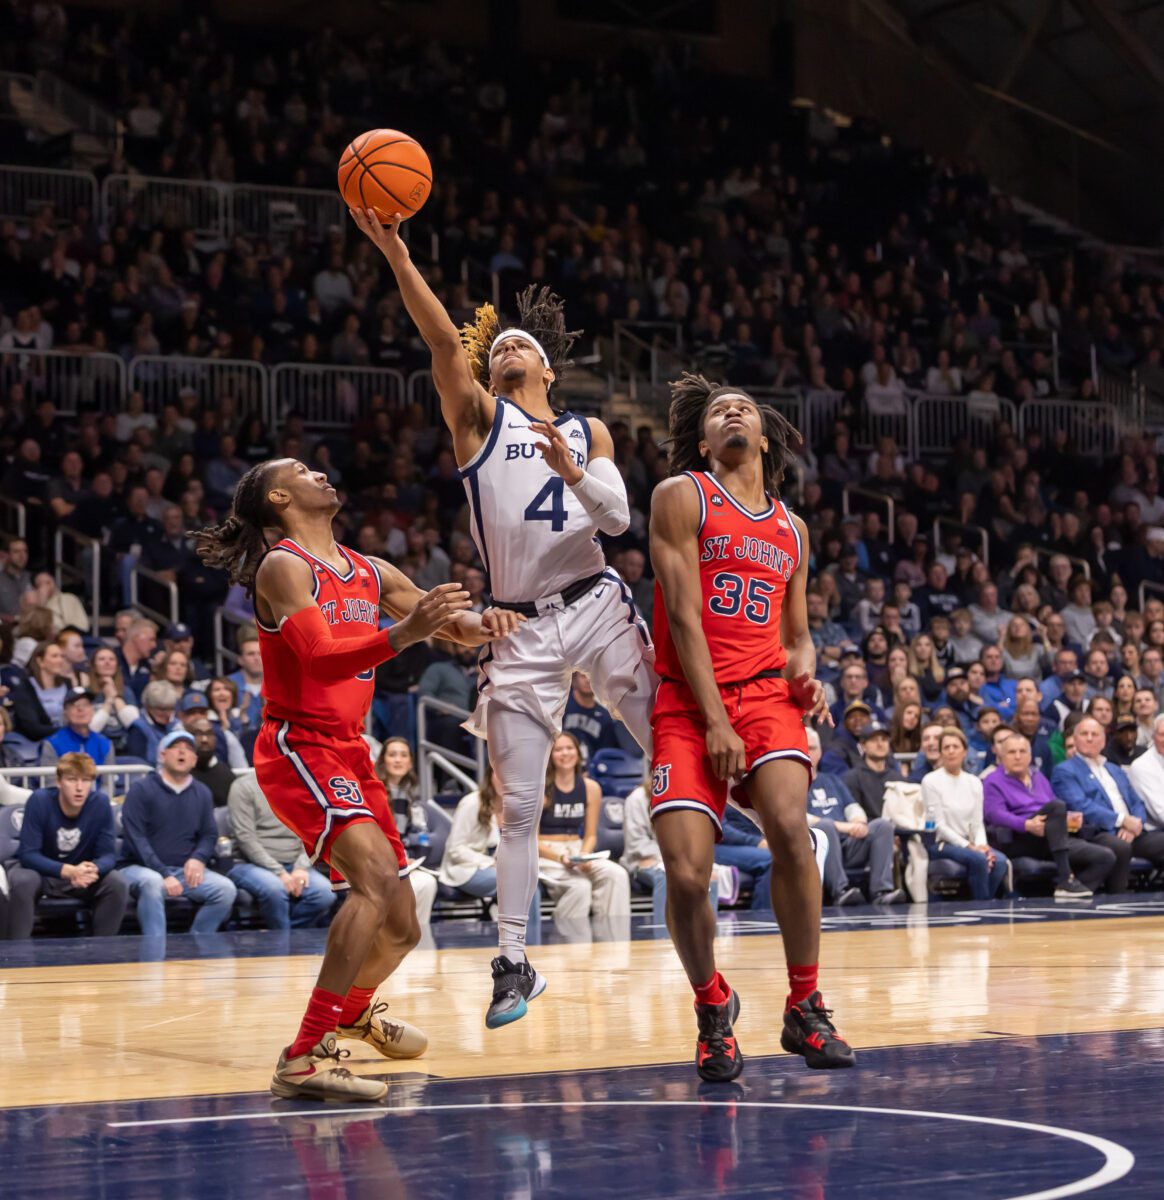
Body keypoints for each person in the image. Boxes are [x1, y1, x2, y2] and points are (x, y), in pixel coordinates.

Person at [352, 209, 656, 1029]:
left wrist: (575, 468)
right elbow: (444, 346)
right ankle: (513, 963)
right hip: (516, 628)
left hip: (593, 603)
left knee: (668, 741)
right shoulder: (480, 420)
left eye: (521, 345)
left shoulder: (587, 427)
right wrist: (397, 253)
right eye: (500, 347)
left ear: (550, 367)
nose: (506, 349)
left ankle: (770, 836)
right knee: (517, 805)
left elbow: (620, 522)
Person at [192, 455, 522, 1101]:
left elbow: (455, 626)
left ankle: (352, 1012)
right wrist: (407, 631)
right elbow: (318, 660)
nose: (322, 473)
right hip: (299, 746)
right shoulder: (284, 566)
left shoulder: (370, 569)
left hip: (350, 751)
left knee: (402, 924)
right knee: (371, 885)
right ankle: (304, 1056)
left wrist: (499, 622)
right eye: (305, 471)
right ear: (280, 497)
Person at [648, 373, 852, 1081]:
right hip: (687, 697)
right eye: (715, 411)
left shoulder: (791, 529)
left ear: (763, 437)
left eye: (743, 406)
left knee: (794, 831)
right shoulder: (682, 496)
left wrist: (805, 674)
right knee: (685, 871)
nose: (731, 410)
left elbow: (798, 635)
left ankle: (805, 1006)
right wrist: (713, 720)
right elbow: (681, 616)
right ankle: (713, 1007)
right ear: (703, 442)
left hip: (768, 697)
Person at [119, 730, 238, 934]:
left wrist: (198, 859)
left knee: (225, 889)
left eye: (188, 749)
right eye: (176, 747)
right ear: (163, 755)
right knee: (152, 882)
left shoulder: (202, 792)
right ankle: (155, 951)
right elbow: (136, 838)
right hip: (138, 867)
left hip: (184, 872)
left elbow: (209, 834)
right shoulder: (141, 789)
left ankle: (196, 943)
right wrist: (163, 872)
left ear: (194, 759)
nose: (182, 752)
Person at [8, 752, 129, 937]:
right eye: (72, 780)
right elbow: (28, 854)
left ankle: (104, 952)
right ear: (58, 781)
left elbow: (108, 855)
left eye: (86, 780)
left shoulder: (100, 803)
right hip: (44, 873)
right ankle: (17, 953)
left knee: (116, 882)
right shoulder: (39, 800)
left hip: (82, 875)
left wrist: (94, 869)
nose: (79, 788)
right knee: (22, 879)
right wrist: (68, 871)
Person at [982, 733, 1113, 897]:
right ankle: (1066, 878)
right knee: (1057, 807)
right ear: (1001, 756)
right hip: (1020, 838)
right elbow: (994, 814)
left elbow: (1054, 805)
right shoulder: (992, 780)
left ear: (1030, 755)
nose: (1017, 756)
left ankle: (1062, 895)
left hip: (1051, 838)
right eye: (1011, 752)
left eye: (1022, 751)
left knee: (1105, 857)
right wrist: (1025, 824)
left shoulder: (1038, 777)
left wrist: (1069, 819)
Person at [1052, 716, 1164, 892]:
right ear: (1074, 739)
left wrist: (1135, 824)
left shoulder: (1114, 768)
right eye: (1084, 734)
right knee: (1120, 846)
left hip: (1134, 832)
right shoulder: (1065, 770)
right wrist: (1121, 821)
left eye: (1095, 734)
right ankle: (1117, 899)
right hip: (1099, 832)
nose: (1089, 738)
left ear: (1103, 740)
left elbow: (1137, 802)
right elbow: (1081, 805)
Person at [535, 732, 630, 921]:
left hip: (578, 849)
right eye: (558, 750)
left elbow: (590, 836)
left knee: (617, 874)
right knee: (581, 887)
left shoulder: (591, 788)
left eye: (569, 748)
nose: (565, 753)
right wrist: (561, 857)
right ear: (550, 756)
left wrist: (583, 857)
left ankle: (612, 939)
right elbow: (531, 840)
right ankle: (567, 939)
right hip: (547, 853)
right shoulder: (540, 788)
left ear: (578, 753)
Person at [227, 770, 337, 930]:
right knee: (275, 889)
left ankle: (286, 936)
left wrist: (301, 867)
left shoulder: (302, 786)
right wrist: (279, 872)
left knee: (325, 893)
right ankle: (282, 941)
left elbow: (311, 833)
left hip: (293, 863)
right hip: (248, 864)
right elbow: (246, 838)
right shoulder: (243, 786)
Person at [804, 728, 902, 905]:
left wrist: (859, 822)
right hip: (812, 848)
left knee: (882, 826)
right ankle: (840, 891)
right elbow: (800, 818)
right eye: (802, 747)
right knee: (825, 827)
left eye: (812, 748)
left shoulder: (832, 780)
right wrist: (842, 826)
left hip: (846, 844)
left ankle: (881, 892)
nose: (807, 752)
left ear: (820, 752)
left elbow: (853, 807)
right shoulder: (791, 784)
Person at [921, 727, 1010, 900]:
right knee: (978, 859)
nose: (951, 751)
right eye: (946, 747)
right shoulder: (930, 781)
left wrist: (982, 845)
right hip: (941, 843)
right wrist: (970, 847)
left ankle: (978, 901)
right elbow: (939, 826)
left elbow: (977, 823)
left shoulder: (974, 782)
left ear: (965, 751)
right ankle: (981, 908)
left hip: (971, 843)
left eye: (955, 746)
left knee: (1000, 861)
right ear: (940, 752)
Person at [374, 736, 438, 923]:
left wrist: (406, 854)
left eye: (403, 755)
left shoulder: (409, 795)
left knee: (427, 883)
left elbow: (413, 835)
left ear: (410, 763)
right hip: (377, 862)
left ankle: (418, 939)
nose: (398, 760)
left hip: (399, 861)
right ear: (383, 762)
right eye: (392, 755)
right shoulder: (374, 791)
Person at [42, 687, 115, 766]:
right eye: (74, 705)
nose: (80, 709)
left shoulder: (105, 744)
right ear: (65, 711)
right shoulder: (52, 744)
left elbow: (108, 778)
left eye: (85, 704)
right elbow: (49, 778)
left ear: (92, 710)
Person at [843, 721, 900, 819]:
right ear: (863, 746)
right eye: (874, 740)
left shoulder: (898, 778)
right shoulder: (852, 778)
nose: (880, 744)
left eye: (884, 739)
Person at [124, 680, 180, 762]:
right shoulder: (138, 728)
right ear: (148, 706)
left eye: (170, 708)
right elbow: (138, 762)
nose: (167, 714)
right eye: (162, 709)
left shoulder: (177, 725)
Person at [189, 717, 237, 807]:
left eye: (209, 734)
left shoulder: (227, 777)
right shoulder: (180, 774)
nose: (204, 739)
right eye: (198, 734)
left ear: (215, 739)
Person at [1127, 714, 1164, 829]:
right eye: (1163, 734)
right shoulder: (1141, 766)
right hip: (1154, 832)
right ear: (1153, 737)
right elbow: (1161, 813)